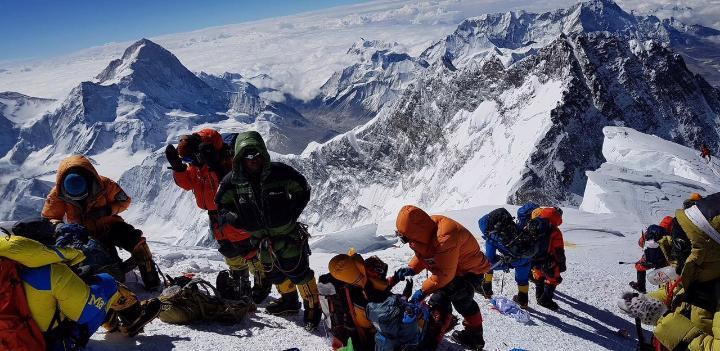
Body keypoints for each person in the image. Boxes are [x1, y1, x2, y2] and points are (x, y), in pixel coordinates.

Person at [215, 131, 320, 330]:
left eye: (256, 154)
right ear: (239, 157)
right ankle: (289, 302)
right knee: (274, 273)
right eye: (247, 155)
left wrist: (292, 213)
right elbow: (221, 205)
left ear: (263, 153)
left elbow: (303, 188)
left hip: (287, 235)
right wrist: (234, 220)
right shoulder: (231, 182)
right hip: (260, 240)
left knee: (299, 272)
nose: (253, 159)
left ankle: (313, 308)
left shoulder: (280, 173)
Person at [0, 224, 161, 350]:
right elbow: (84, 311)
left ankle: (111, 319)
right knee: (106, 283)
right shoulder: (49, 272)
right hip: (51, 344)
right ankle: (132, 318)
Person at [165, 128, 271, 303]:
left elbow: (232, 182)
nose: (189, 162)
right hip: (215, 214)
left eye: (190, 159)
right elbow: (188, 183)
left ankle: (262, 281)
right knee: (228, 249)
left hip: (233, 209)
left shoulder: (225, 160)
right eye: (187, 160)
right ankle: (241, 282)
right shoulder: (196, 166)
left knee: (248, 248)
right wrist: (178, 167)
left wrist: (215, 166)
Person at [618, 192, 720, 351]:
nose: (677, 251)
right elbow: (673, 294)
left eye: (685, 243)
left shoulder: (703, 272)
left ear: (708, 250)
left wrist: (663, 319)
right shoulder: (695, 270)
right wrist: (644, 303)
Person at [41, 155, 160, 290]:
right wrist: (60, 226)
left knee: (138, 245)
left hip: (111, 226)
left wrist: (108, 210)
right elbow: (48, 218)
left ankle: (153, 283)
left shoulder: (104, 185)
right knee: (108, 267)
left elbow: (125, 201)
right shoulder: (57, 194)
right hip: (85, 235)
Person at [391, 205, 490, 350]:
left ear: (415, 233)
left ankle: (473, 337)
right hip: (452, 269)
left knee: (455, 299)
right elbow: (425, 252)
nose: (405, 241)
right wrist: (412, 268)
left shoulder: (445, 237)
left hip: (469, 270)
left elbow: (443, 275)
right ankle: (443, 322)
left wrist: (423, 291)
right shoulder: (424, 231)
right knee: (443, 297)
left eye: (405, 238)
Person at [319, 251, 393, 350]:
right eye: (376, 271)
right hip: (365, 339)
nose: (380, 275)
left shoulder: (353, 282)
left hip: (350, 333)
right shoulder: (363, 292)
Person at [478, 204, 540, 308]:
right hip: (526, 259)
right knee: (523, 274)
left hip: (511, 260)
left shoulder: (492, 237)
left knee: (487, 263)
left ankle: (487, 288)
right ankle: (523, 299)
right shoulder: (521, 230)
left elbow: (489, 257)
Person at [529, 207, 566, 311]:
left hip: (534, 259)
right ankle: (545, 300)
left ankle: (539, 295)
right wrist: (562, 264)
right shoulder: (555, 231)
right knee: (554, 280)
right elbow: (559, 251)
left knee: (538, 277)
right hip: (548, 261)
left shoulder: (534, 224)